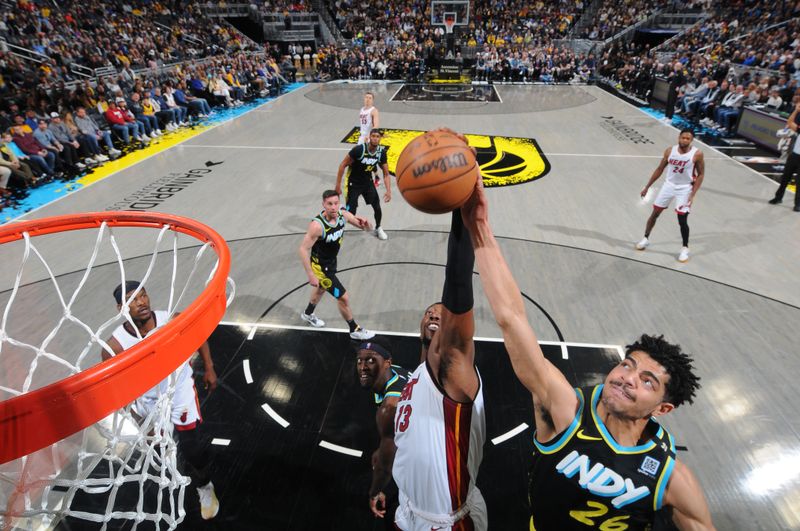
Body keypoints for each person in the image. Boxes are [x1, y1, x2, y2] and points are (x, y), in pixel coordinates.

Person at [459, 168, 715, 530]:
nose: (627, 378)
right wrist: (480, 228)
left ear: (664, 407)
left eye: (647, 381)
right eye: (628, 365)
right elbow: (512, 319)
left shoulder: (669, 477)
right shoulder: (567, 410)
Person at [380, 129, 488, 529]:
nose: (435, 314)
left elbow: (457, 285)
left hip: (447, 522)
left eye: (441, 313)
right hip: (407, 509)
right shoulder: (419, 377)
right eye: (428, 312)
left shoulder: (452, 366)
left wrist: (463, 218)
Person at [101, 281, 220, 520]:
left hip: (180, 394)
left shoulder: (171, 319)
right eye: (132, 300)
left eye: (143, 296)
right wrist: (135, 417)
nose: (141, 302)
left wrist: (209, 367)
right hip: (148, 402)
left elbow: (199, 337)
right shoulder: (114, 346)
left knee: (192, 449)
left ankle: (205, 487)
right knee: (159, 448)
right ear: (120, 308)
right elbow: (119, 388)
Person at [298, 189, 376, 340]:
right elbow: (302, 249)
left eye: (336, 203)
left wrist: (367, 224)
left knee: (321, 289)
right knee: (343, 298)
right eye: (329, 204)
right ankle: (354, 329)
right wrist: (311, 274)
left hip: (331, 262)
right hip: (320, 268)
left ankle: (307, 314)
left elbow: (367, 229)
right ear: (323, 204)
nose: (333, 207)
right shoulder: (317, 226)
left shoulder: (343, 215)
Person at [356, 339, 410, 526]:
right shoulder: (395, 372)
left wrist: (374, 492)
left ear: (387, 362)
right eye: (359, 360)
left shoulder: (389, 408)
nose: (363, 367)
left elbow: (385, 467)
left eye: (371, 360)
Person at [636, 129, 705, 263]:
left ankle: (685, 248)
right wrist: (647, 186)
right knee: (655, 213)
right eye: (683, 137)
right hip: (669, 185)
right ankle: (645, 238)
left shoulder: (697, 154)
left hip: (685, 188)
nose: (685, 140)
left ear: (691, 141)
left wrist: (693, 193)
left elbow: (701, 174)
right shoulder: (669, 151)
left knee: (682, 219)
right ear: (679, 137)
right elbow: (660, 169)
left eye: (688, 139)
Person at [335, 129, 392, 241]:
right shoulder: (359, 150)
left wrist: (388, 190)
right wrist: (337, 185)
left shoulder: (381, 153)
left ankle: (378, 228)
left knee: (377, 206)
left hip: (367, 182)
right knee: (351, 212)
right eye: (373, 136)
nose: (375, 138)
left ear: (380, 138)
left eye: (377, 136)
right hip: (353, 182)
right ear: (369, 137)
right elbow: (342, 165)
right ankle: (338, 227)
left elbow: (386, 174)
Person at [768, 102, 800, 211]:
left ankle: (798, 204)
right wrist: (796, 110)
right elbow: (790, 122)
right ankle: (778, 197)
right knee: (785, 178)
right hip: (794, 156)